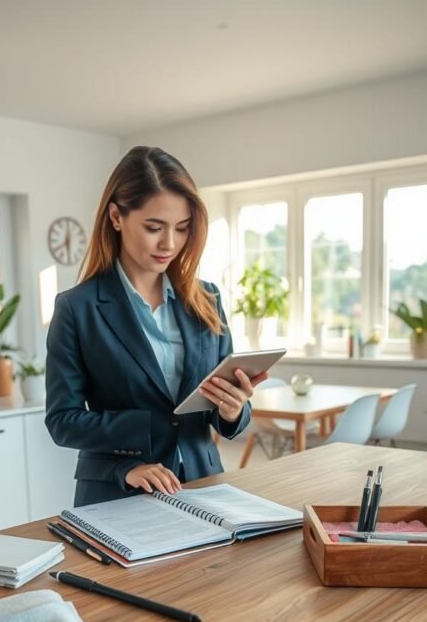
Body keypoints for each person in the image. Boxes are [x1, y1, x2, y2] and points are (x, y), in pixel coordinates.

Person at [45, 145, 267, 507]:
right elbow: (62, 421)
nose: (170, 244)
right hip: (117, 492)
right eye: (154, 227)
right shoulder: (76, 308)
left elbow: (226, 416)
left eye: (181, 229)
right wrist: (128, 464)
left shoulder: (206, 299)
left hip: (202, 486)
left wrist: (232, 409)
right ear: (116, 217)